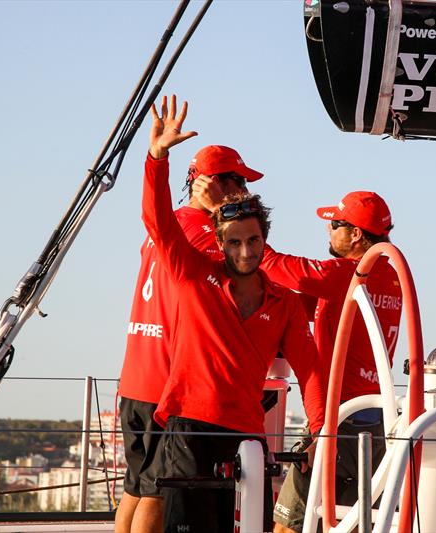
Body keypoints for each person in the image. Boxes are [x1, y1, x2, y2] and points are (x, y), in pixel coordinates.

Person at [143, 94, 327, 533]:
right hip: (190, 429)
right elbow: (158, 222)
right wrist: (157, 157)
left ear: (265, 242)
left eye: (253, 242)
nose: (245, 252)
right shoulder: (193, 274)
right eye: (234, 242)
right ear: (220, 242)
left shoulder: (281, 301)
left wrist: (320, 432)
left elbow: (311, 368)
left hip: (246, 435)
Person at [115, 125, 263, 531]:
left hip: (135, 377)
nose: (244, 190)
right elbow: (249, 272)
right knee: (157, 494)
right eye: (238, 180)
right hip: (166, 382)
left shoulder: (170, 224)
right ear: (213, 183)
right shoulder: (206, 235)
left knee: (135, 487)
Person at [258, 191, 403, 533]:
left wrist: (249, 238)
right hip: (375, 423)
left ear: (355, 234)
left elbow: (285, 269)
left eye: (335, 224)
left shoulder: (351, 274)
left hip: (337, 420)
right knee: (351, 523)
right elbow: (308, 305)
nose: (328, 231)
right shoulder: (389, 276)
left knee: (289, 524)